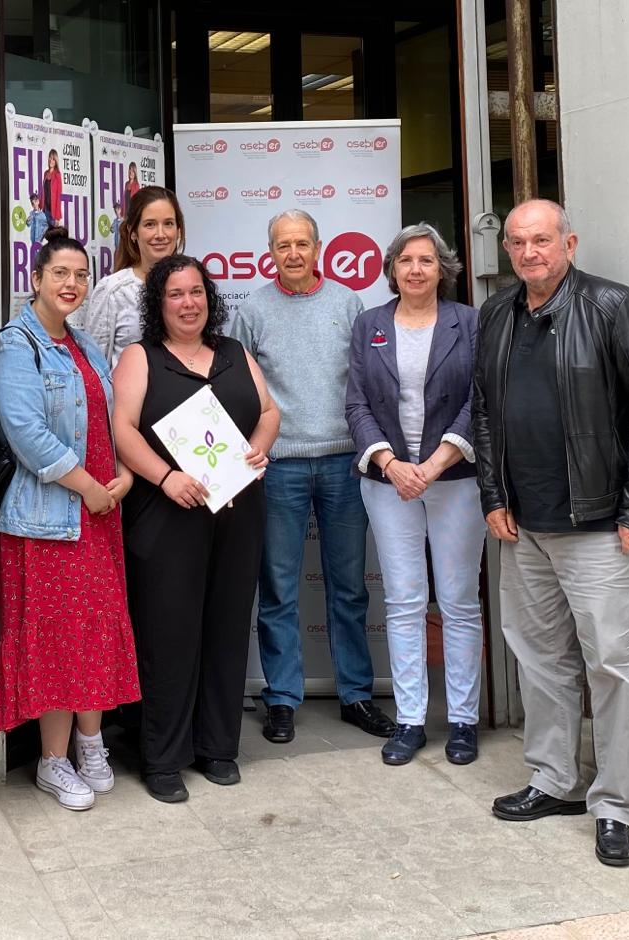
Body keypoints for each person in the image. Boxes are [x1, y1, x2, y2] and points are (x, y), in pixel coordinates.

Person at [472, 199, 629, 867]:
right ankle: (554, 780)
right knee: (539, 660)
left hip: (599, 525)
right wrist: (494, 495)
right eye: (517, 242)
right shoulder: (497, 314)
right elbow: (483, 412)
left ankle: (615, 806)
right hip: (522, 525)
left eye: (542, 240)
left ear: (570, 243)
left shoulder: (613, 307)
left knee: (613, 667)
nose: (529, 252)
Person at [113, 254, 278, 803]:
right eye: (176, 294)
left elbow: (269, 412)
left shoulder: (234, 352)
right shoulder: (141, 357)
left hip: (237, 512)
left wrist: (259, 447)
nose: (189, 303)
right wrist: (165, 478)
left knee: (227, 628)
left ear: (210, 298)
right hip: (167, 516)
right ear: (158, 305)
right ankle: (162, 757)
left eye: (197, 292)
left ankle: (218, 747)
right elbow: (122, 429)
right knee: (168, 634)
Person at [229, 209, 394, 745]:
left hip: (344, 461)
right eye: (283, 245)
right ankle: (281, 698)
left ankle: (356, 695)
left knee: (349, 587)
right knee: (278, 588)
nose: (293, 253)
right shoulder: (253, 310)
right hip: (279, 465)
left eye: (302, 243)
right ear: (270, 253)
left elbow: (368, 381)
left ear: (318, 248)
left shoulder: (348, 304)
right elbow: (237, 388)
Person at [0, 228, 140, 812]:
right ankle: (52, 761)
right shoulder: (16, 343)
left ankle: (90, 743)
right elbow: (26, 432)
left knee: (95, 629)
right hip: (49, 518)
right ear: (36, 280)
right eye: (60, 274)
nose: (71, 284)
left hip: (99, 511)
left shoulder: (84, 343)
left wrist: (122, 475)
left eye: (80, 275)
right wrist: (89, 488)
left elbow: (110, 420)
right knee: (55, 639)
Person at [346, 223, 486, 767]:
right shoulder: (370, 325)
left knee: (458, 602)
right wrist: (390, 463)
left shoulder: (468, 322)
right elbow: (356, 403)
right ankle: (409, 720)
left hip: (455, 479)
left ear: (442, 268)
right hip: (390, 482)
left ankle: (463, 721)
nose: (416, 269)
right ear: (391, 269)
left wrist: (433, 464)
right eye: (405, 260)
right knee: (403, 601)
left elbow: (480, 399)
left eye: (427, 260)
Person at [84, 186, 185, 368]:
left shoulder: (192, 284)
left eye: (168, 223)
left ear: (178, 230)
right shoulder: (113, 290)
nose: (160, 234)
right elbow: (95, 369)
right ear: (133, 232)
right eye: (150, 224)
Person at [40, 149, 62, 227]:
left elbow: (59, 197)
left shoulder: (57, 175)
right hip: (45, 211)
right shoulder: (45, 173)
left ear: (56, 161)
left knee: (53, 234)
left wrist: (57, 217)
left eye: (53, 159)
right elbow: (43, 192)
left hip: (53, 214)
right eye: (50, 157)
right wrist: (39, 207)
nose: (51, 160)